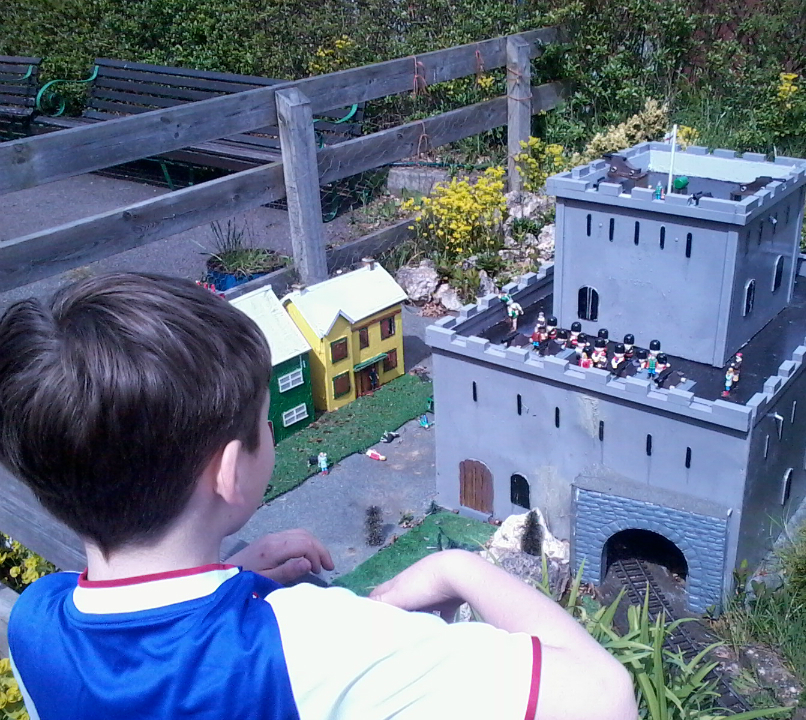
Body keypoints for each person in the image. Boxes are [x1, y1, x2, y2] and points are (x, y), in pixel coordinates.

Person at [0, 273, 634, 720]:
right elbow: (607, 699)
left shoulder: (35, 622)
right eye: (262, 421)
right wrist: (458, 568)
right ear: (229, 471)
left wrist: (230, 576)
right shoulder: (313, 643)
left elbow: (149, 649)